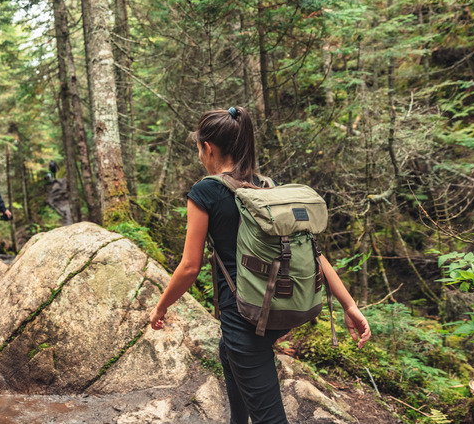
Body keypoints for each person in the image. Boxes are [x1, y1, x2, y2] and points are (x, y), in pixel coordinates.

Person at [149, 106, 371, 424]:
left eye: (199, 147)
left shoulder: (205, 192)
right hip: (278, 307)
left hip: (246, 319)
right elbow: (313, 252)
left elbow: (189, 267)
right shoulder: (267, 187)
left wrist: (160, 308)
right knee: (228, 353)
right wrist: (349, 305)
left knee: (268, 414)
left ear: (207, 148)